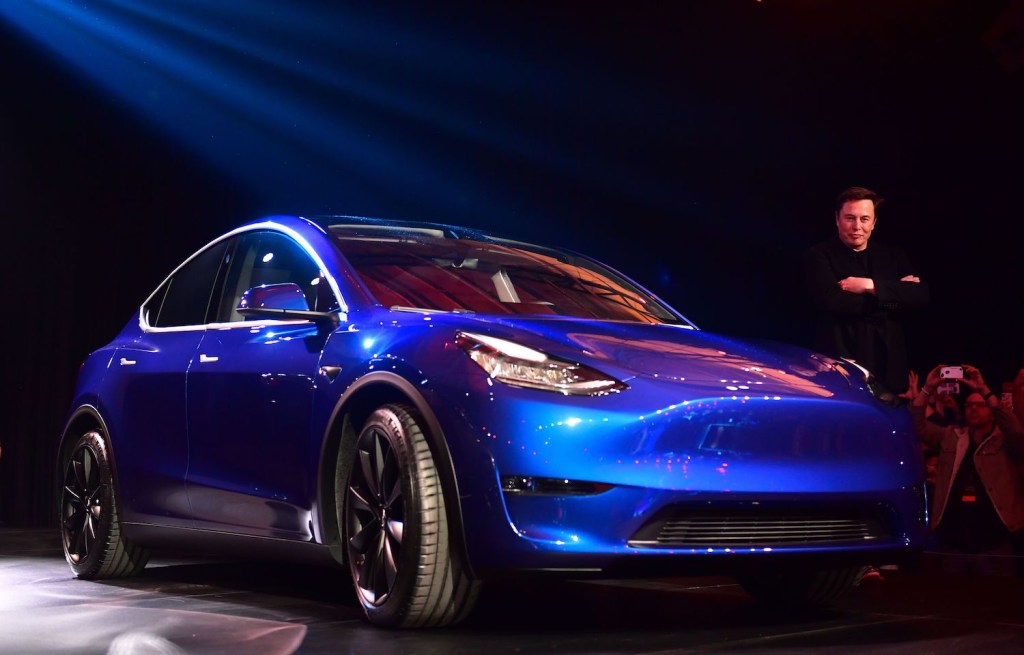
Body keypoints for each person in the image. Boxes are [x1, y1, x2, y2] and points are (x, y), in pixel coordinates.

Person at [802, 186, 930, 395]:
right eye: (850, 218)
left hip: (889, 368)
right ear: (837, 219)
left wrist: (871, 286)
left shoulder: (893, 256)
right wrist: (894, 295)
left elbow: (920, 296)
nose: (857, 227)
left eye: (864, 219)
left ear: (874, 222)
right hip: (841, 365)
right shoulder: (818, 255)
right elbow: (833, 301)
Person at [912, 364, 1024, 576]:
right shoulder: (952, 437)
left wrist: (984, 390)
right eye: (969, 405)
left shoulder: (1003, 441)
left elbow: (1016, 431)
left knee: (998, 602)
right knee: (952, 603)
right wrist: (927, 388)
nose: (973, 408)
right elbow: (917, 426)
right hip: (954, 545)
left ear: (990, 411)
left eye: (980, 405)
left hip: (994, 544)